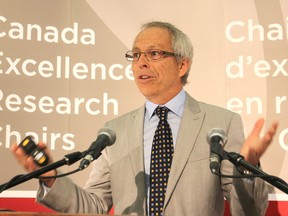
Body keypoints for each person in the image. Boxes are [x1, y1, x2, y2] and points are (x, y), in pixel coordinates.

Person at [11, 21, 278, 216]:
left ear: (182, 64)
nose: (141, 63)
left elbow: (251, 211)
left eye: (154, 54)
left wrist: (248, 167)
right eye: (135, 55)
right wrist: (50, 179)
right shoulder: (114, 131)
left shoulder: (220, 123)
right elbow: (92, 206)